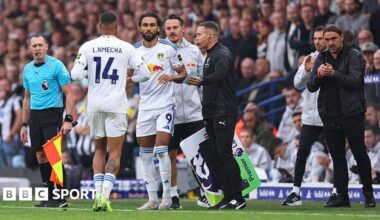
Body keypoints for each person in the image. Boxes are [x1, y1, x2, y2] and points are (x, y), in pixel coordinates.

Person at [71, 12, 152, 212]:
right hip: (116, 104)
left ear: (99, 26)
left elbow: (75, 74)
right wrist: (129, 80)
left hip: (94, 104)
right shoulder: (126, 47)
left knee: (99, 150)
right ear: (116, 28)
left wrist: (90, 74)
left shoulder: (88, 46)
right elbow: (146, 73)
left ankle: (97, 196)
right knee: (114, 152)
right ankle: (105, 197)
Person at [307, 24, 376, 208]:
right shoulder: (321, 57)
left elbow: (355, 82)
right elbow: (310, 86)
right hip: (330, 114)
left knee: (359, 153)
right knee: (337, 156)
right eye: (326, 39)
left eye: (333, 39)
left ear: (341, 38)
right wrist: (319, 76)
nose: (329, 43)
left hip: (351, 113)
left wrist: (333, 73)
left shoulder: (354, 55)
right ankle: (342, 196)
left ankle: (368, 195)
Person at [133, 12, 187, 210]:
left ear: (158, 28)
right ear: (140, 27)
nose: (148, 28)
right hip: (145, 107)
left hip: (165, 105)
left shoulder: (169, 48)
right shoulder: (134, 50)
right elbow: (128, 78)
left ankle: (167, 197)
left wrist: (170, 77)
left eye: (152, 25)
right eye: (145, 25)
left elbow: (183, 74)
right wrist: (132, 81)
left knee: (162, 148)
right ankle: (152, 199)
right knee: (145, 154)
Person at [189, 21, 245, 210]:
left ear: (210, 37)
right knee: (218, 155)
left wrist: (202, 80)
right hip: (213, 111)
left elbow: (220, 75)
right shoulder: (212, 55)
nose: (196, 38)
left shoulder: (221, 54)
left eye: (199, 35)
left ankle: (238, 197)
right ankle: (228, 196)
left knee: (225, 154)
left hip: (223, 111)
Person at [20, 33, 74, 208]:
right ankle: (49, 196)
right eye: (34, 46)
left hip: (52, 114)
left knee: (54, 155)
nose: (37, 49)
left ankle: (61, 197)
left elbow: (70, 94)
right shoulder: (27, 69)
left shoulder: (56, 66)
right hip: (35, 115)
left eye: (40, 45)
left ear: (46, 46)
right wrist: (23, 124)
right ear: (30, 49)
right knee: (40, 156)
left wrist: (68, 119)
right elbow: (27, 98)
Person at [163, 14, 208, 209]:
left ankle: (207, 192)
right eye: (168, 28)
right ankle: (173, 196)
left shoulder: (195, 51)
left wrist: (205, 106)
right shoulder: (160, 51)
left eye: (175, 27)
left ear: (183, 28)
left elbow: (203, 81)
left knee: (200, 154)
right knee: (169, 154)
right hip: (169, 113)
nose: (172, 31)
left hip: (193, 113)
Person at [283, 26, 328, 206]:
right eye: (315, 39)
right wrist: (306, 69)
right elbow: (296, 83)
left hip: (329, 114)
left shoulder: (335, 57)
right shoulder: (310, 58)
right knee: (302, 153)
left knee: (336, 153)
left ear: (328, 40)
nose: (317, 42)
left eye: (321, 38)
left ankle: (337, 192)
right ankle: (295, 193)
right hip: (310, 115)